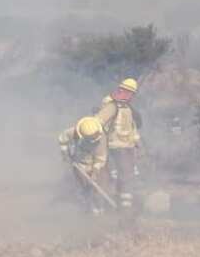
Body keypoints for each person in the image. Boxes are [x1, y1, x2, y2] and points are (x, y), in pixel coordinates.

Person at [94, 78, 142, 211]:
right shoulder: (111, 106)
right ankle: (120, 208)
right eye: (129, 92)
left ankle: (125, 207)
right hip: (115, 147)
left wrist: (137, 143)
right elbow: (97, 123)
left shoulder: (127, 107)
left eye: (132, 94)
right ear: (122, 91)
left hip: (127, 147)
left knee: (127, 177)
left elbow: (132, 128)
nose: (131, 96)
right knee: (120, 177)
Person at [58, 116, 109, 215]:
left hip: (96, 165)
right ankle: (89, 208)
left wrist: (95, 173)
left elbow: (100, 159)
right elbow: (62, 139)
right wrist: (64, 153)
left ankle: (100, 209)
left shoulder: (101, 139)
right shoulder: (74, 132)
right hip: (79, 164)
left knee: (98, 187)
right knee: (85, 187)